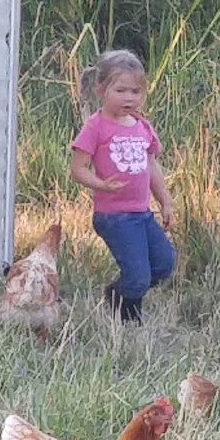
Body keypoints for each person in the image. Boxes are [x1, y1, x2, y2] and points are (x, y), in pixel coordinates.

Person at [69, 49, 176, 322]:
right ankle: (126, 307)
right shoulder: (96, 127)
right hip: (114, 217)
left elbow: (151, 165)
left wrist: (165, 201)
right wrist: (102, 185)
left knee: (164, 263)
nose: (129, 98)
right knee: (139, 275)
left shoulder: (142, 126)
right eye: (121, 90)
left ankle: (121, 293)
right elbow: (78, 168)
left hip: (142, 212)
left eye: (136, 91)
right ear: (101, 89)